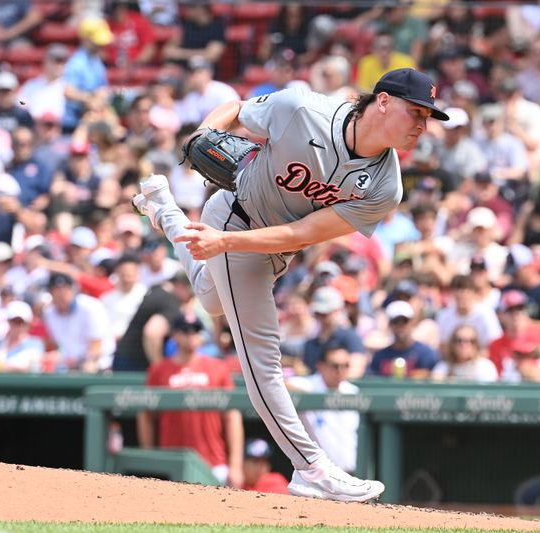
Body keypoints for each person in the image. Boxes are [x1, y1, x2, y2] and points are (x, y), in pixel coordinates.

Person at [132, 68, 449, 501]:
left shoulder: (386, 186)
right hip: (235, 216)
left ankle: (164, 211)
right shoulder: (302, 108)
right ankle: (310, 467)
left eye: (428, 117)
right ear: (382, 101)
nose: (422, 125)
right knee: (262, 357)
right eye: (416, 111)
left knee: (211, 300)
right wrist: (204, 132)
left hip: (260, 245)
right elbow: (238, 110)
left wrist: (221, 243)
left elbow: (301, 235)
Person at [138, 314, 244, 488]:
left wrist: (236, 466)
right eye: (186, 331)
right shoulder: (159, 370)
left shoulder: (218, 368)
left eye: (196, 330)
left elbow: (232, 417)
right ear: (174, 335)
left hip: (213, 461)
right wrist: (151, 459)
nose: (191, 335)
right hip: (171, 462)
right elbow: (146, 416)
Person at [287, 345, 360, 474]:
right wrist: (308, 395)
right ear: (321, 366)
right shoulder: (310, 385)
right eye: (335, 366)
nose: (340, 371)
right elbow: (278, 384)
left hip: (352, 471)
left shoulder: (353, 391)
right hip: (321, 474)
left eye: (345, 366)